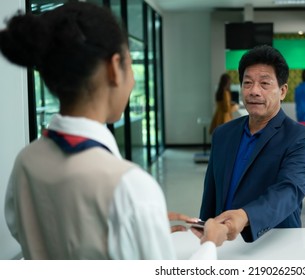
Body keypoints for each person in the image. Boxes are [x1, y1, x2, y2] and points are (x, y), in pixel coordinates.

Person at [0, 2, 228, 260]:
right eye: (130, 64)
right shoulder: (129, 186)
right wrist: (210, 243)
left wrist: (134, 226)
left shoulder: (25, 162)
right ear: (114, 68)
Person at [199, 45, 305, 243]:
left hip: (274, 245)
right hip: (224, 244)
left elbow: (288, 191)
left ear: (282, 91)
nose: (254, 91)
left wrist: (244, 216)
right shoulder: (223, 134)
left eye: (264, 83)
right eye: (247, 83)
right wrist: (204, 229)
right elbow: (210, 196)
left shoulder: (301, 138)